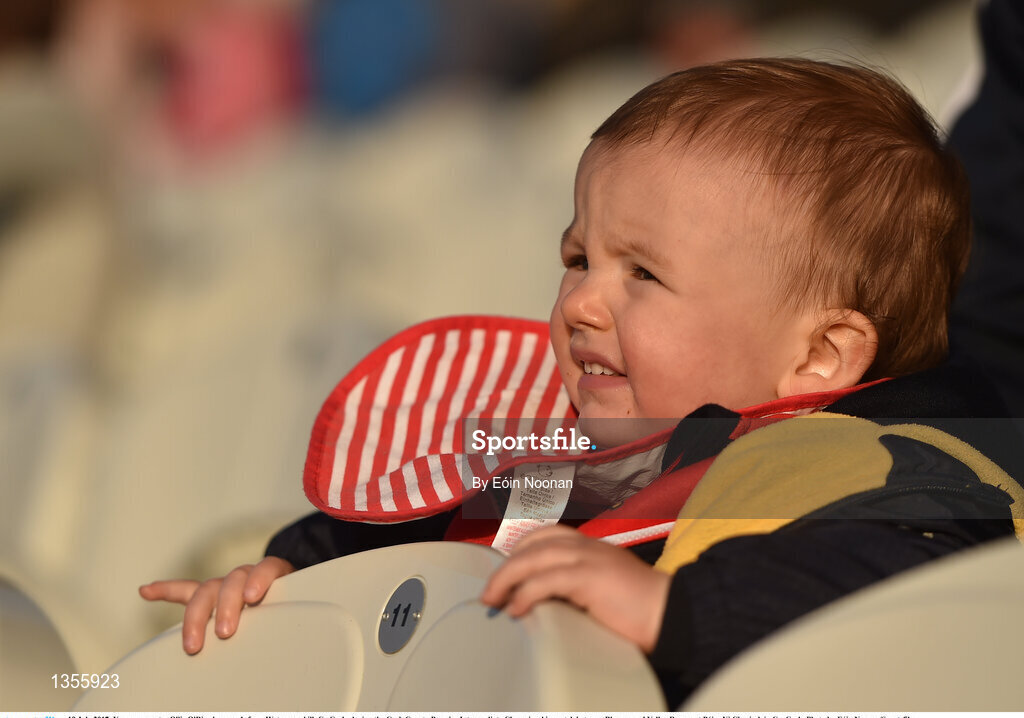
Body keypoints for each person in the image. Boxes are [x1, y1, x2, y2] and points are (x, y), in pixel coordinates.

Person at [140, 55, 1022, 704]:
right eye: (577, 257)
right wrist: (287, 574)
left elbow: (915, 588)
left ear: (820, 357)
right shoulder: (589, 466)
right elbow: (443, 526)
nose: (580, 302)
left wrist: (675, 611)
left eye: (642, 274)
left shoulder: (893, 471)